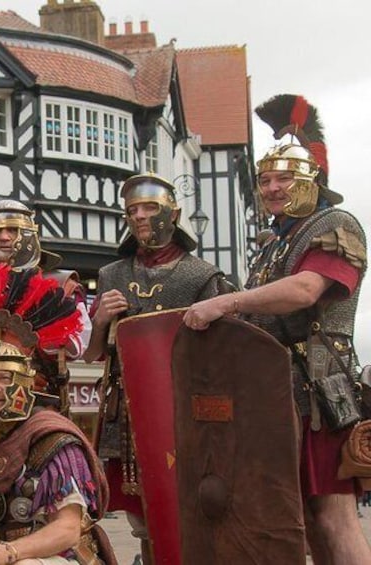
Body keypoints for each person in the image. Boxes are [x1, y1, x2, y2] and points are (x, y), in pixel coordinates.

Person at [184, 94, 371, 564]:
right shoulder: (272, 244)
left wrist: (225, 301)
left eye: (284, 177)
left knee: (333, 514)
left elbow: (305, 290)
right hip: (273, 393)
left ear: (311, 178)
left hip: (320, 393)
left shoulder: (335, 225)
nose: (271, 188)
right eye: (265, 180)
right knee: (300, 518)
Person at [84, 172, 230, 564]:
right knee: (138, 510)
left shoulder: (203, 276)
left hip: (183, 408)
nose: (140, 216)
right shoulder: (111, 274)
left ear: (173, 213)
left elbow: (225, 353)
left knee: (188, 504)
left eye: (150, 207)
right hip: (126, 410)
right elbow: (92, 354)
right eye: (132, 210)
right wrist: (100, 320)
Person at [0, 337, 111, 565]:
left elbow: (68, 529)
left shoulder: (51, 437)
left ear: (23, 382)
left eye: (4, 378)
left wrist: (9, 552)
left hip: (59, 557)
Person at [0, 200, 90, 419]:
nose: (4, 237)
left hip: (34, 405)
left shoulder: (59, 286)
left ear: (29, 234)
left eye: (13, 230)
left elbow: (77, 348)